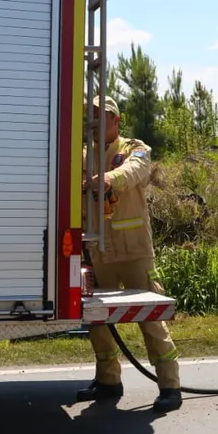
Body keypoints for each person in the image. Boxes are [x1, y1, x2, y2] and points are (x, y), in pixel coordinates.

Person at [78, 95, 183, 413]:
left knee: (152, 318)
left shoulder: (135, 148)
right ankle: (109, 380)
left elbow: (136, 170)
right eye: (92, 116)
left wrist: (109, 178)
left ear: (116, 119)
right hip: (101, 251)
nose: (96, 121)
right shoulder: (83, 155)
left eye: (102, 115)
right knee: (97, 319)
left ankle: (170, 385)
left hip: (135, 251)